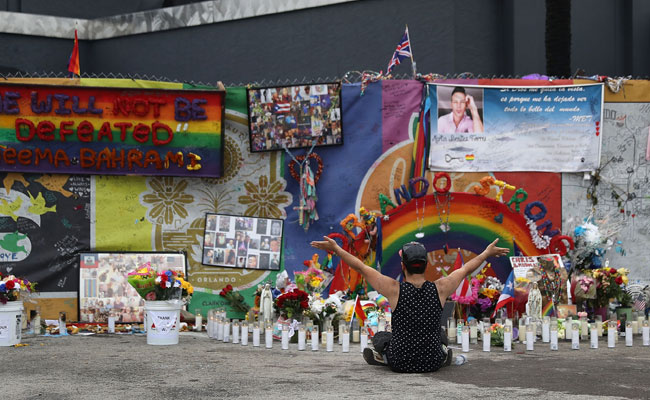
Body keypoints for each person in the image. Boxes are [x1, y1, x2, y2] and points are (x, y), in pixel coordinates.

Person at [310, 237, 509, 373]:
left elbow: (360, 266)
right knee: (439, 335)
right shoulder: (440, 288)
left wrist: (336, 249)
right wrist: (486, 253)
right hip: (432, 362)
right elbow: (466, 269)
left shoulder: (394, 289)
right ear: (426, 265)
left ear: (403, 266)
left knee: (381, 336)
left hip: (400, 361)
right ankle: (442, 354)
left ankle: (384, 357)